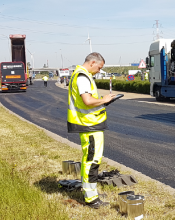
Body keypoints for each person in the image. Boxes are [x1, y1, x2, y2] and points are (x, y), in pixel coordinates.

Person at [67, 52, 116, 208]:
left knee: (90, 159)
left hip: (90, 124)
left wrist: (103, 102)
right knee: (92, 161)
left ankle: (91, 192)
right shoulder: (82, 77)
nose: (99, 71)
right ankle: (91, 199)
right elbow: (87, 101)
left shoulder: (82, 75)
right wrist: (104, 99)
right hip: (89, 125)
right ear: (93, 62)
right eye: (99, 68)